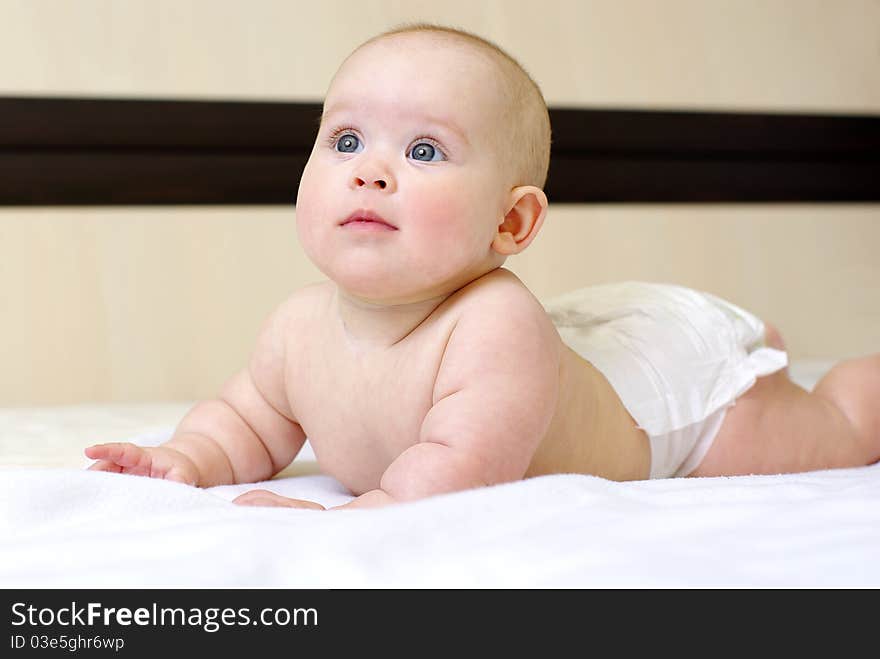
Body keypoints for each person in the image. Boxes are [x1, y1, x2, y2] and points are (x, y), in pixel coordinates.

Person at [85, 24, 880, 510]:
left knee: (831, 435)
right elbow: (249, 420)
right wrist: (185, 458)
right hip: (583, 356)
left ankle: (852, 382)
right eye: (346, 140)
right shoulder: (296, 326)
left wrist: (379, 511)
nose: (370, 171)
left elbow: (459, 467)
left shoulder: (494, 324)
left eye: (424, 150)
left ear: (510, 220)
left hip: (668, 409)